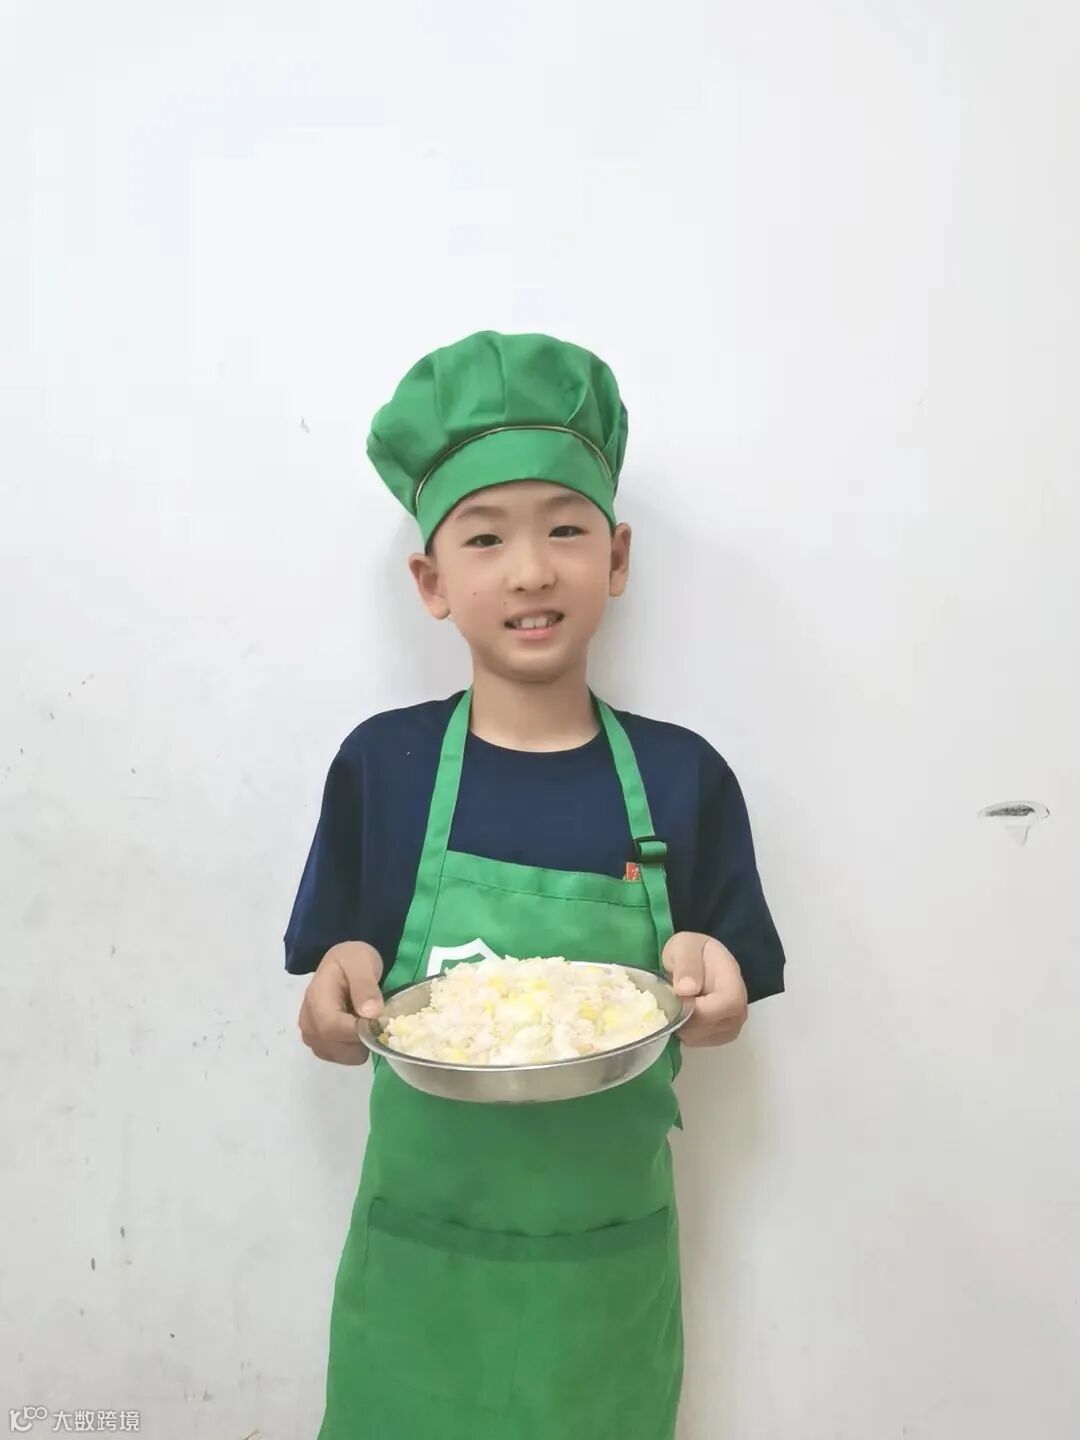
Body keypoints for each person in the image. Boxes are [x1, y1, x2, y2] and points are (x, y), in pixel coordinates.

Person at [284, 330, 786, 1440]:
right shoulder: (384, 769)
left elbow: (718, 1010)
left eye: (565, 528)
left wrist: (715, 990)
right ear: (431, 581)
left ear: (616, 557)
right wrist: (337, 988)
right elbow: (336, 1003)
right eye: (485, 536)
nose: (530, 570)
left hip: (599, 1294)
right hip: (419, 1288)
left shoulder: (683, 780)